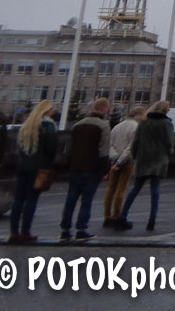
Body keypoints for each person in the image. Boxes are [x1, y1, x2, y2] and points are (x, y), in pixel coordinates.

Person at [117, 100, 174, 232]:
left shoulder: (143, 122)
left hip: (143, 159)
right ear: (165, 110)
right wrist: (167, 155)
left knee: (135, 188)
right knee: (155, 189)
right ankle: (152, 219)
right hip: (159, 159)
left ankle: (123, 216)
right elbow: (170, 143)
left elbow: (135, 142)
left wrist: (135, 155)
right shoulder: (166, 123)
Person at [59, 97, 111, 242]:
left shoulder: (78, 125)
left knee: (71, 199)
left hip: (76, 167)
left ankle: (65, 229)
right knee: (86, 200)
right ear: (104, 109)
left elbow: (69, 148)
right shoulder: (103, 126)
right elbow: (103, 150)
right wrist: (104, 170)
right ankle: (81, 229)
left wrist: (70, 164)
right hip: (92, 167)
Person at [8, 99, 59, 244]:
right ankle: (25, 231)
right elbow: (51, 148)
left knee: (18, 200)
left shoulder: (27, 126)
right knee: (31, 200)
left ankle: (13, 232)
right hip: (38, 168)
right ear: (48, 111)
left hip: (22, 166)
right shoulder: (48, 126)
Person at [103, 106, 145, 227]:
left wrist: (115, 159)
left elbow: (110, 145)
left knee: (110, 189)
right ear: (138, 115)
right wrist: (120, 161)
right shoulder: (136, 127)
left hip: (114, 160)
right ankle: (117, 215)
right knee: (121, 189)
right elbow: (130, 148)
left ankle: (107, 216)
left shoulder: (117, 127)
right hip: (126, 162)